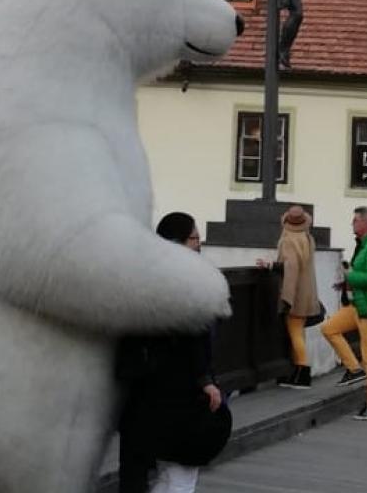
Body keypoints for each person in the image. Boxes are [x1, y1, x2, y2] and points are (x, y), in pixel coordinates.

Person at [116, 213, 231, 493]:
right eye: (194, 238)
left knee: (139, 466)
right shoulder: (186, 278)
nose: (199, 244)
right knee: (181, 470)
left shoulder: (138, 275)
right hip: (177, 386)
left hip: (138, 384)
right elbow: (194, 334)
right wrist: (206, 381)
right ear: (178, 242)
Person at [321, 206, 367, 421]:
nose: (352, 224)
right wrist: (345, 283)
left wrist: (350, 276)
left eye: (355, 221)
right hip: (358, 305)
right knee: (329, 328)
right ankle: (353, 369)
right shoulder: (364, 245)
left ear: (365, 223)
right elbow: (363, 275)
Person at [256, 205, 323, 389]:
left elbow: (290, 267)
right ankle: (297, 373)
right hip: (307, 292)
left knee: (295, 333)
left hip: (296, 294)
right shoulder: (307, 238)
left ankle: (302, 373)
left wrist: (271, 266)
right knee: (299, 332)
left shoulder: (288, 240)